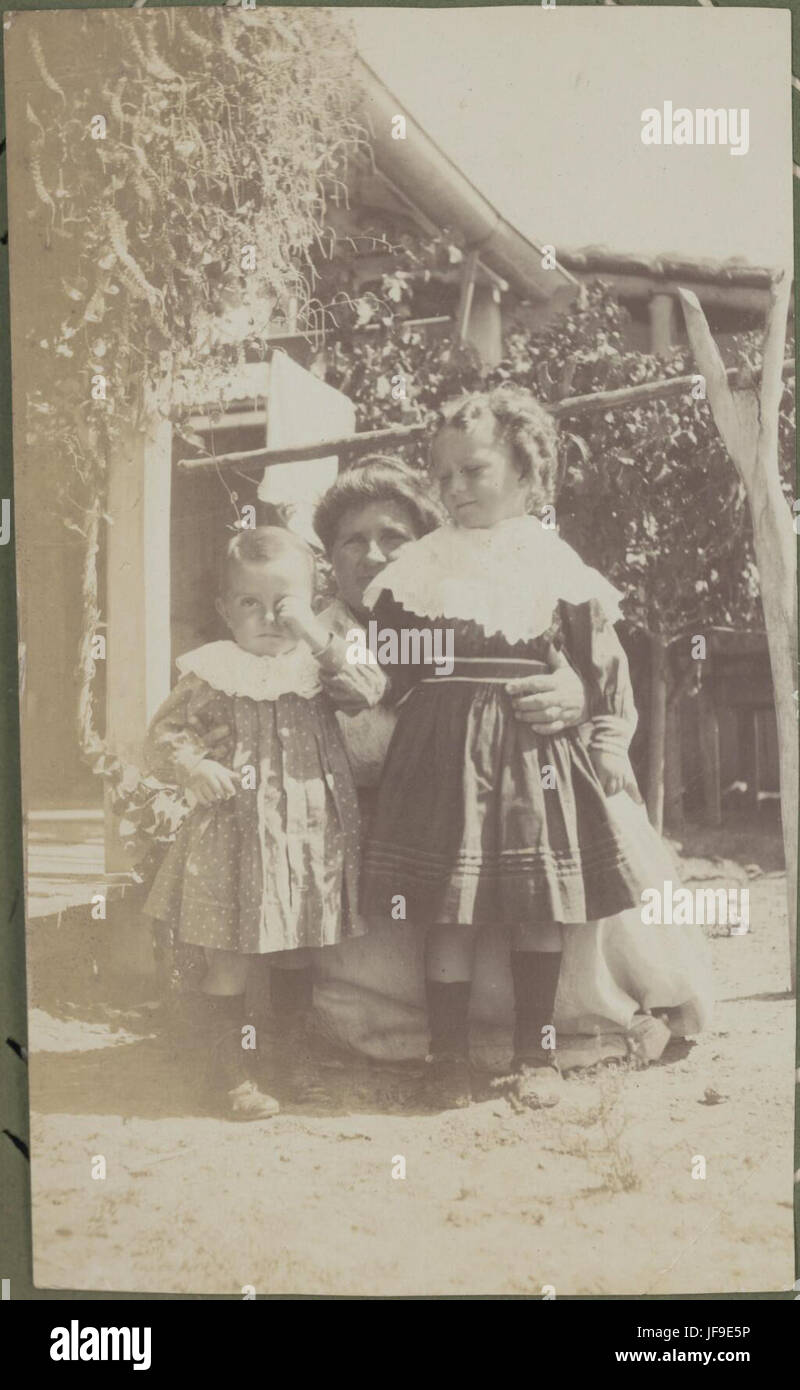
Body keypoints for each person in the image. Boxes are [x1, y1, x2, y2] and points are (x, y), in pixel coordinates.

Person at [358, 388, 671, 1110]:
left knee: (537, 906)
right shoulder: (420, 566)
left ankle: (537, 1054)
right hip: (440, 756)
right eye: (442, 478)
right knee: (449, 908)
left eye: (474, 471)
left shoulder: (552, 561)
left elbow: (598, 669)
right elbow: (394, 663)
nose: (455, 490)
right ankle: (446, 1055)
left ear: (528, 476)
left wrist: (599, 724)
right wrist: (359, 671)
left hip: (534, 761)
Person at [143, 526, 383, 1120]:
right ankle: (227, 1076)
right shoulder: (214, 671)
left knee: (295, 952)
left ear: (308, 600)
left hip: (305, 839)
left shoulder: (316, 665)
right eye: (250, 603)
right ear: (226, 610)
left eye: (284, 603)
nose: (269, 617)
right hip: (232, 839)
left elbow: (368, 689)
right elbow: (162, 738)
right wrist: (193, 765)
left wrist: (313, 631)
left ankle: (287, 1062)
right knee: (228, 957)